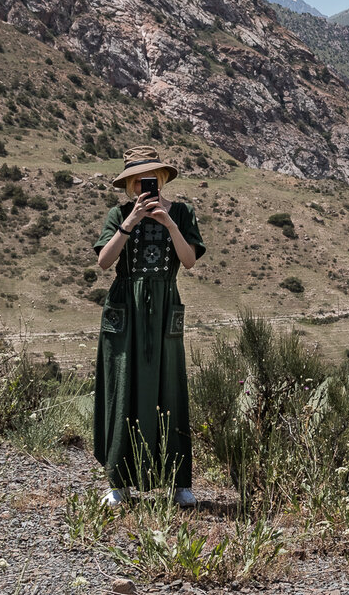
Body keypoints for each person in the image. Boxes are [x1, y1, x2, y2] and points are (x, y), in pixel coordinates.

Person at [92, 145, 205, 507]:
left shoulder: (183, 213)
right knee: (123, 387)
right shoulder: (119, 213)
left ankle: (178, 482)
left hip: (164, 307)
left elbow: (188, 262)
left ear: (161, 180)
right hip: (124, 308)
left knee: (169, 388)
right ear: (130, 185)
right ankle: (119, 482)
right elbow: (104, 263)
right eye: (139, 181)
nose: (146, 186)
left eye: (152, 179)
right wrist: (131, 222)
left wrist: (168, 222)